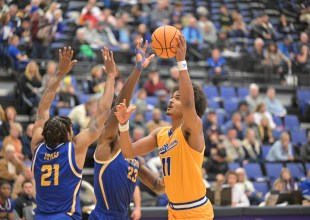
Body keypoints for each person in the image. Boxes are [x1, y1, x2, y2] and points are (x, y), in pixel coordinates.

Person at [115, 35, 214, 219]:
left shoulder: (193, 128)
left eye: (176, 98)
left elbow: (188, 104)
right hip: (174, 210)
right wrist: (123, 125)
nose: (171, 100)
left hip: (196, 211)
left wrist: (181, 62)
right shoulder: (160, 134)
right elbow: (128, 152)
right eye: (172, 97)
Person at [30, 47, 115, 219]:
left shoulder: (36, 147)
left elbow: (42, 111)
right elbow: (103, 112)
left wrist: (60, 73)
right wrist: (111, 76)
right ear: (69, 135)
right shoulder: (74, 149)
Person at [89, 39, 164, 220]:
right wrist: (138, 69)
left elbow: (158, 187)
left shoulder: (133, 158)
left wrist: (173, 168)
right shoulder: (108, 146)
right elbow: (120, 105)